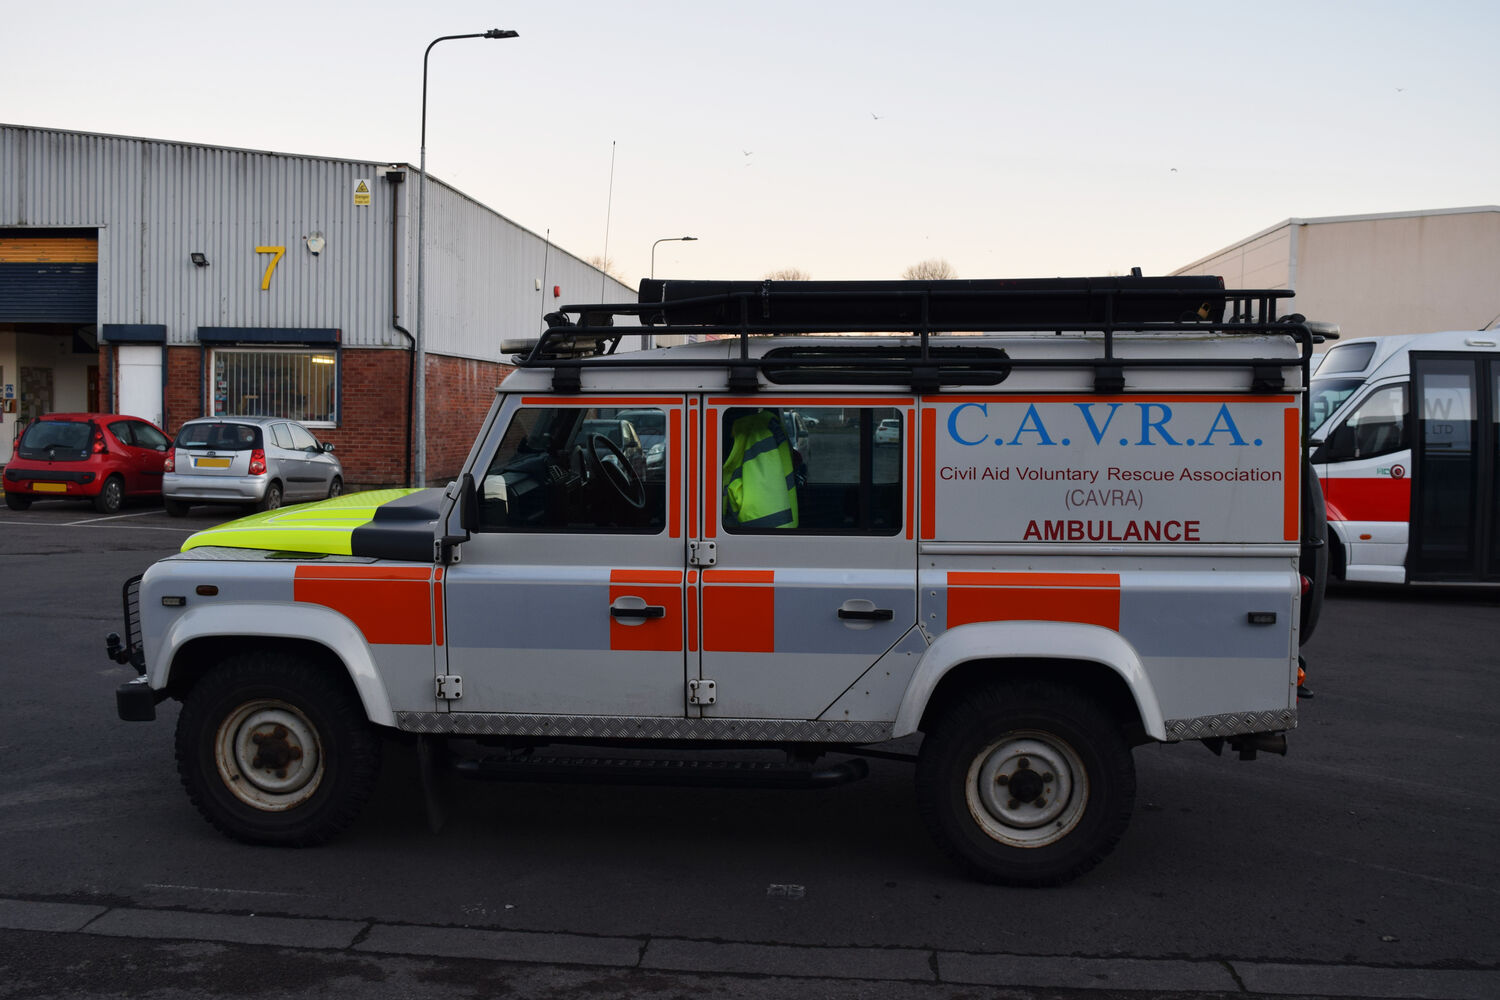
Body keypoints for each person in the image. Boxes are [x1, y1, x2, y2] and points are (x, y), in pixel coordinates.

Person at [722, 409, 799, 529]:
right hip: (783, 526)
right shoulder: (771, 425)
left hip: (760, 532)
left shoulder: (754, 430)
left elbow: (755, 502)